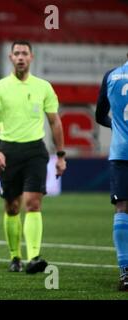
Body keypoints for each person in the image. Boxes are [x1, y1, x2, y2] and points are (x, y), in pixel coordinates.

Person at [0, 40, 67, 274]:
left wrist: (60, 155)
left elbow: (55, 121)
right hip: (8, 151)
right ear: (10, 58)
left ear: (32, 57)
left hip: (35, 152)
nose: (20, 57)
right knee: (12, 206)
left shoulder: (44, 87)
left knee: (34, 203)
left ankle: (34, 257)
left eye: (24, 53)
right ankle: (15, 257)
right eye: (16, 53)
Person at [95, 53, 128, 291]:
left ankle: (125, 272)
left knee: (122, 208)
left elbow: (99, 116)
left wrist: (116, 124)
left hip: (121, 151)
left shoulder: (111, 76)